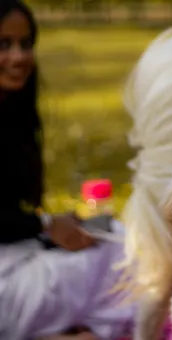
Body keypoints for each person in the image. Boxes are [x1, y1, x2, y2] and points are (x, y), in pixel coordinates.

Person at [0, 1, 134, 339]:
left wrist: (55, 225)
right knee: (124, 264)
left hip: (17, 253)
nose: (19, 57)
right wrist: (46, 225)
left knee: (116, 236)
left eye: (26, 44)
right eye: (4, 45)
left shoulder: (14, 115)